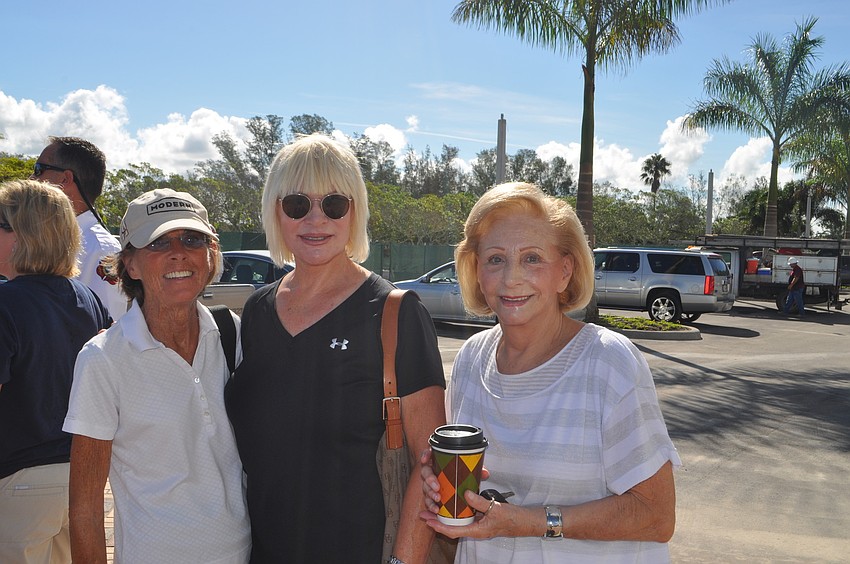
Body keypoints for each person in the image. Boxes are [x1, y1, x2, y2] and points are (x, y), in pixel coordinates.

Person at [420, 182, 681, 562]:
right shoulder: (470, 360)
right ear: (476, 271)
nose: (511, 278)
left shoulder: (608, 363)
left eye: (531, 259)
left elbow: (657, 517)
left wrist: (530, 522)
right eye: (495, 259)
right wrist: (440, 484)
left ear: (564, 271)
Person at [224, 134, 446, 563]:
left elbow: (429, 461)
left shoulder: (396, 314)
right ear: (276, 211)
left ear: (354, 211)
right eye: (296, 204)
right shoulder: (256, 311)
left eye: (333, 204)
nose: (315, 219)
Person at [63, 188, 251, 564]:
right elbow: (84, 508)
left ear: (211, 255)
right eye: (157, 243)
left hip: (243, 553)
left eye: (192, 239)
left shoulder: (233, 334)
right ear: (130, 265)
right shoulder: (103, 359)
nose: (178, 252)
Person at [0, 180, 112, 564]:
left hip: (17, 480)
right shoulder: (88, 298)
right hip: (80, 479)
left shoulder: (5, 302)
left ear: (23, 235)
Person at [31, 136, 127, 320]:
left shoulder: (101, 249)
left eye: (39, 170)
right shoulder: (48, 239)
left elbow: (104, 333)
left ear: (65, 179)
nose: (32, 178)